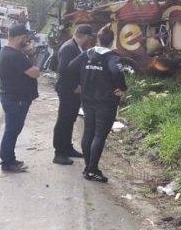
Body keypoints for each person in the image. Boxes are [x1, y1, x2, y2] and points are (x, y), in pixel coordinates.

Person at [65, 24, 126, 182]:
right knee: (99, 135)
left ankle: (88, 167)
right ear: (112, 41)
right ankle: (92, 170)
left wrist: (77, 84)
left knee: (89, 132)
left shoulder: (86, 54)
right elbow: (117, 71)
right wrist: (121, 88)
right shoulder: (111, 57)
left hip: (87, 100)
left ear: (98, 39)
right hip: (105, 102)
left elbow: (70, 67)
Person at [0, 24, 39, 173]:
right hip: (16, 100)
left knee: (13, 130)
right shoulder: (15, 56)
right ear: (20, 38)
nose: (27, 41)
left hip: (13, 98)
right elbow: (35, 72)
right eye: (26, 38)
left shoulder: (8, 52)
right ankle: (7, 162)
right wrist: (32, 55)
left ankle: (10, 157)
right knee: (12, 130)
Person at [52, 24, 96, 165]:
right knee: (64, 120)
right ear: (83, 36)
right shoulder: (69, 48)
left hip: (72, 90)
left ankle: (67, 147)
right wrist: (74, 86)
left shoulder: (76, 47)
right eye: (89, 37)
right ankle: (59, 152)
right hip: (67, 89)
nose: (89, 40)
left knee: (70, 119)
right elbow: (64, 70)